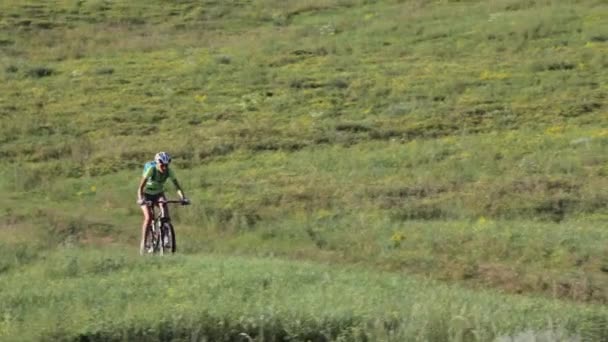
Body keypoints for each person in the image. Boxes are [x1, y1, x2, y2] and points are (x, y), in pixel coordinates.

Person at [137, 151, 189, 255]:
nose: (164, 168)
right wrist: (141, 198)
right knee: (149, 217)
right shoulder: (151, 170)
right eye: (162, 165)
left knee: (165, 213)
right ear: (157, 163)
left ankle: (165, 237)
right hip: (146, 194)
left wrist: (183, 198)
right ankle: (144, 242)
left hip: (158, 194)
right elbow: (141, 187)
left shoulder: (169, 171)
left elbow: (177, 186)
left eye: (166, 165)